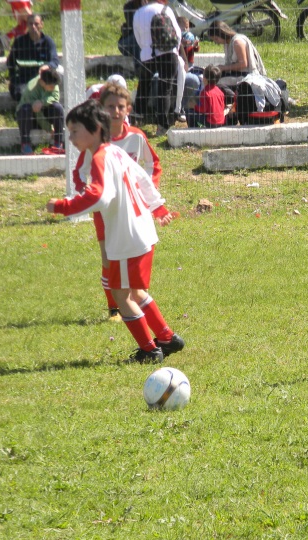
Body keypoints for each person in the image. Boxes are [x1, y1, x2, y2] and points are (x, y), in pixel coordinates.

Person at [46, 100, 184, 364]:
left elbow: (100, 197)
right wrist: (158, 207)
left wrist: (63, 207)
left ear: (95, 128)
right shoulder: (116, 152)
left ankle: (149, 350)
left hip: (125, 237)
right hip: (142, 230)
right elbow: (142, 179)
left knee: (122, 295)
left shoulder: (100, 157)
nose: (71, 137)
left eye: (75, 131)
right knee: (136, 291)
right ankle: (166, 338)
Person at [80, 83, 161, 321]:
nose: (115, 111)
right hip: (106, 211)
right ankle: (114, 307)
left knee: (133, 255)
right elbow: (83, 171)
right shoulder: (95, 141)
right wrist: (91, 189)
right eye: (110, 106)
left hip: (132, 211)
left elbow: (153, 164)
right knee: (108, 257)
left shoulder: (137, 137)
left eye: (120, 106)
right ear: (101, 109)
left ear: (128, 109)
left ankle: (135, 297)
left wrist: (148, 190)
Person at [133, 0, 180, 135]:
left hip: (148, 54)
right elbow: (177, 32)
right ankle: (162, 125)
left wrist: (146, 49)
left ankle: (138, 116)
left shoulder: (138, 13)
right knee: (165, 89)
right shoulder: (166, 10)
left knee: (144, 85)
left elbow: (138, 38)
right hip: (169, 53)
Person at [6, 13, 59, 101]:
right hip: (23, 78)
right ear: (27, 25)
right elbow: (10, 62)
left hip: (41, 78)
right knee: (19, 93)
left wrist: (47, 66)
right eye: (30, 24)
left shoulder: (48, 42)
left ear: (42, 25)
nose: (33, 26)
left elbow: (55, 60)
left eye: (36, 24)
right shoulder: (19, 41)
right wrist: (13, 77)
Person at [16, 68, 64, 155]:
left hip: (45, 113)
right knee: (25, 109)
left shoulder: (53, 82)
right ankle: (25, 144)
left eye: (54, 86)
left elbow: (55, 97)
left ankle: (58, 143)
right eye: (51, 86)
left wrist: (42, 102)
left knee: (58, 108)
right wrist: (49, 129)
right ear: (42, 82)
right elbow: (38, 113)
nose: (53, 88)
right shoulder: (31, 89)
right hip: (30, 119)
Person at [206, 21, 265, 90]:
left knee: (217, 82)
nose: (216, 42)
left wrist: (223, 68)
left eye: (216, 39)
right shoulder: (227, 43)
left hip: (247, 75)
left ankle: (228, 99)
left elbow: (243, 64)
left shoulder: (237, 42)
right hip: (237, 74)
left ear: (221, 34)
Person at [186, 64, 225, 129]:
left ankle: (193, 129)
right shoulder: (220, 92)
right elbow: (222, 107)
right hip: (221, 122)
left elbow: (203, 110)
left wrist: (194, 106)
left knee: (189, 112)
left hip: (210, 122)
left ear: (206, 79)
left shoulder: (205, 92)